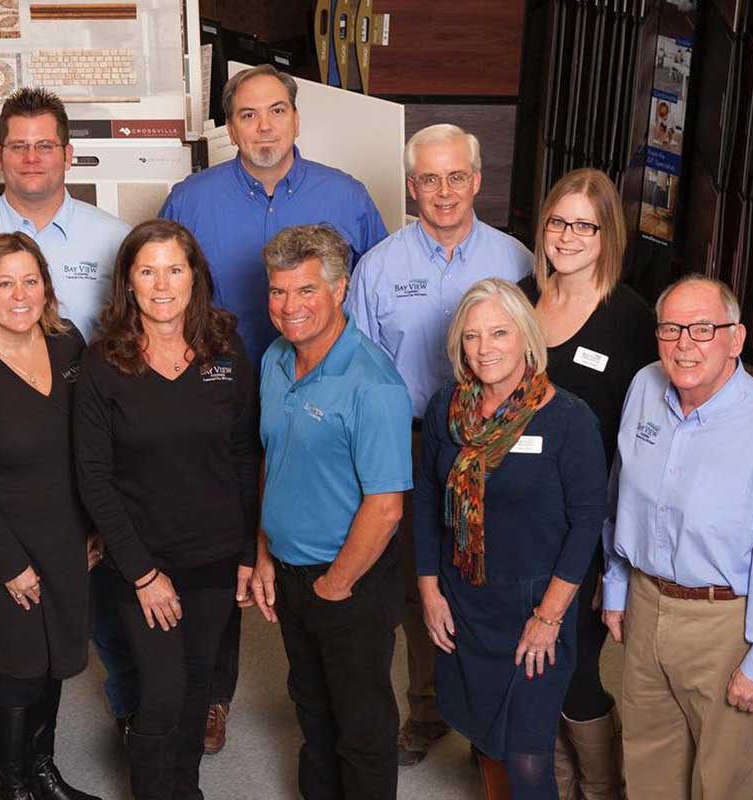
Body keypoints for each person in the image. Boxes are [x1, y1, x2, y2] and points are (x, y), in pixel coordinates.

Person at [160, 63, 386, 753]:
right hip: (220, 397)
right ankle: (212, 696)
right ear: (229, 126)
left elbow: (367, 296)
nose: (264, 126)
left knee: (323, 532)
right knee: (223, 543)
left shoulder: (345, 197)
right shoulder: (189, 200)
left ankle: (331, 690)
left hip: (315, 395)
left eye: (277, 111)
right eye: (249, 114)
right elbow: (164, 292)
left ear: (296, 117)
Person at [0, 87, 133, 776]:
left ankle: (111, 727)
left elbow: (120, 355)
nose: (33, 156)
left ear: (68, 153)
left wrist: (98, 506)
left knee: (68, 639)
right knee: (8, 647)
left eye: (46, 144)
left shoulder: (109, 239)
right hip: (0, 488)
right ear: (0, 155)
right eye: (19, 144)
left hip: (71, 492)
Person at [345, 123, 533, 766]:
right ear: (411, 186)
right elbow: (361, 376)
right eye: (430, 179)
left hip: (500, 446)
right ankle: (426, 708)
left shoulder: (517, 261)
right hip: (412, 445)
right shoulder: (378, 267)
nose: (444, 191)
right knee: (414, 580)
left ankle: (492, 715)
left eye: (457, 177)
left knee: (492, 580)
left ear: (477, 180)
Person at [74, 219, 260, 800]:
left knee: (198, 685)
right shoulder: (103, 363)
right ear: (128, 282)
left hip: (214, 555)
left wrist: (249, 553)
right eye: (147, 270)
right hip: (143, 562)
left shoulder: (226, 352)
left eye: (174, 269)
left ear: (194, 277)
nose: (162, 284)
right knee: (158, 692)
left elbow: (244, 458)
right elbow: (94, 478)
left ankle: (186, 792)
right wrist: (144, 574)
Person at [413, 279, 607, 799]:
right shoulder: (444, 410)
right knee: (486, 741)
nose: (485, 348)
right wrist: (429, 591)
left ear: (525, 336)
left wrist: (548, 618)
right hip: (466, 601)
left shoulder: (568, 418)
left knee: (526, 757)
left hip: (535, 608)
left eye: (499, 332)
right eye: (472, 336)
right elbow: (429, 502)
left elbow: (588, 521)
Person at [0, 233, 102, 800]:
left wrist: (93, 527)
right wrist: (9, 564)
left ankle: (43, 770)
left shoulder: (66, 345)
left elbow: (89, 446)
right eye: (4, 282)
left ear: (47, 287)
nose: (20, 293)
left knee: (55, 663)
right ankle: (14, 786)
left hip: (65, 536)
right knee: (16, 672)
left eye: (30, 280)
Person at [602, 276, 753, 800]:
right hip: (645, 602)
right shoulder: (644, 386)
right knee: (648, 767)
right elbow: (620, 494)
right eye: (671, 328)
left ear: (737, 338)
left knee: (722, 783)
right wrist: (616, 587)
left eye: (704, 329)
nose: (684, 343)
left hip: (724, 624)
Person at [249, 224, 410, 800]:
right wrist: (264, 553)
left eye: (306, 291)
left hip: (349, 584)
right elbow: (275, 457)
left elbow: (387, 506)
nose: (289, 307)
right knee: (312, 712)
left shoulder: (374, 383)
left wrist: (336, 585)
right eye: (278, 291)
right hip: (291, 575)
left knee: (361, 729)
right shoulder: (273, 360)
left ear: (340, 291)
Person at [516, 168, 656, 797]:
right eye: (557, 221)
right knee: (529, 665)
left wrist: (620, 560)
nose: (567, 236)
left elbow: (644, 443)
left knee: (574, 671)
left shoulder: (630, 318)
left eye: (583, 224)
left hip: (588, 528)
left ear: (607, 235)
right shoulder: (518, 300)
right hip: (518, 520)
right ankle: (557, 785)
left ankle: (602, 790)